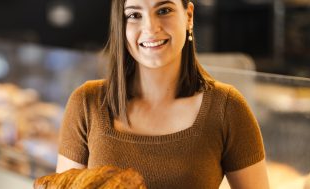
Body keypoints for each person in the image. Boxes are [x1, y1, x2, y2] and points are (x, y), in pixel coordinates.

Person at [56, 0, 270, 188]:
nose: (150, 27)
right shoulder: (87, 103)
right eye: (134, 15)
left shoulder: (227, 107)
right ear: (120, 26)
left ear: (188, 16)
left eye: (164, 10)